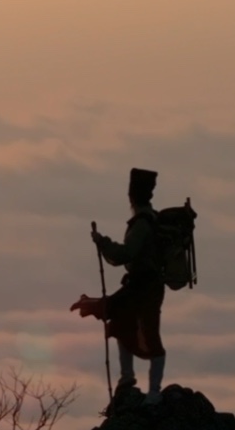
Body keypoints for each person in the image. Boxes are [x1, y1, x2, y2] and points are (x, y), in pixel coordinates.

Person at [70, 167, 167, 407]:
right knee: (122, 321)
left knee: (147, 332)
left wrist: (102, 243)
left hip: (145, 284)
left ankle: (151, 391)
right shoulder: (149, 219)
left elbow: (126, 253)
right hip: (145, 284)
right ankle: (129, 379)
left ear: (133, 196)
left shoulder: (142, 223)